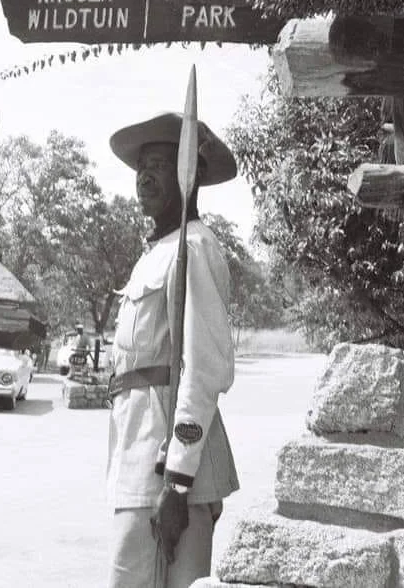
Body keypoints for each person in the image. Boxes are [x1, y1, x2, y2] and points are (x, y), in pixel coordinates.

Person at [105, 111, 240, 588]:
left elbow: (202, 370)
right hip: (137, 461)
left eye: (161, 163)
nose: (145, 175)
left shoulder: (196, 246)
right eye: (142, 166)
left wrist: (178, 482)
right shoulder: (157, 251)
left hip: (167, 473)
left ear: (192, 175)